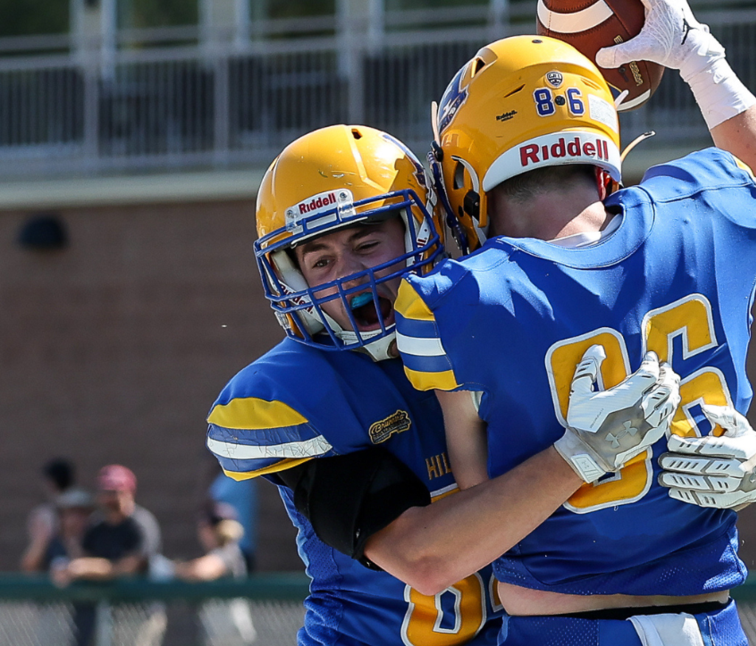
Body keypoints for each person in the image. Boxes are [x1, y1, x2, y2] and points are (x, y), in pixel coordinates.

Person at [393, 0, 756, 644]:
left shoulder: (456, 300)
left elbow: (479, 517)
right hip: (713, 626)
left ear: (468, 173)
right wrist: (695, 53)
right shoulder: (699, 210)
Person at [206, 124, 691, 646]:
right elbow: (423, 557)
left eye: (367, 243)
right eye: (321, 261)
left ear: (421, 230)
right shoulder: (301, 394)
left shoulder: (492, 322)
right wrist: (584, 454)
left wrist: (711, 454)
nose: (350, 275)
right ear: (294, 281)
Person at [53, 464, 165, 646]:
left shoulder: (141, 524)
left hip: (139, 612)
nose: (109, 498)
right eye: (105, 492)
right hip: (104, 613)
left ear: (129, 492)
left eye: (115, 492)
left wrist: (83, 568)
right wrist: (71, 542)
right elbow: (81, 557)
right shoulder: (96, 526)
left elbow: (128, 567)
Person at [176, 502, 256, 646]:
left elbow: (201, 572)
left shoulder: (229, 552)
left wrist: (175, 569)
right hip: (220, 631)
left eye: (205, 527)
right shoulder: (224, 551)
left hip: (231, 633)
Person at [21, 457, 78, 571]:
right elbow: (29, 565)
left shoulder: (43, 514)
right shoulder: (45, 514)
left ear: (50, 482)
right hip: (50, 569)